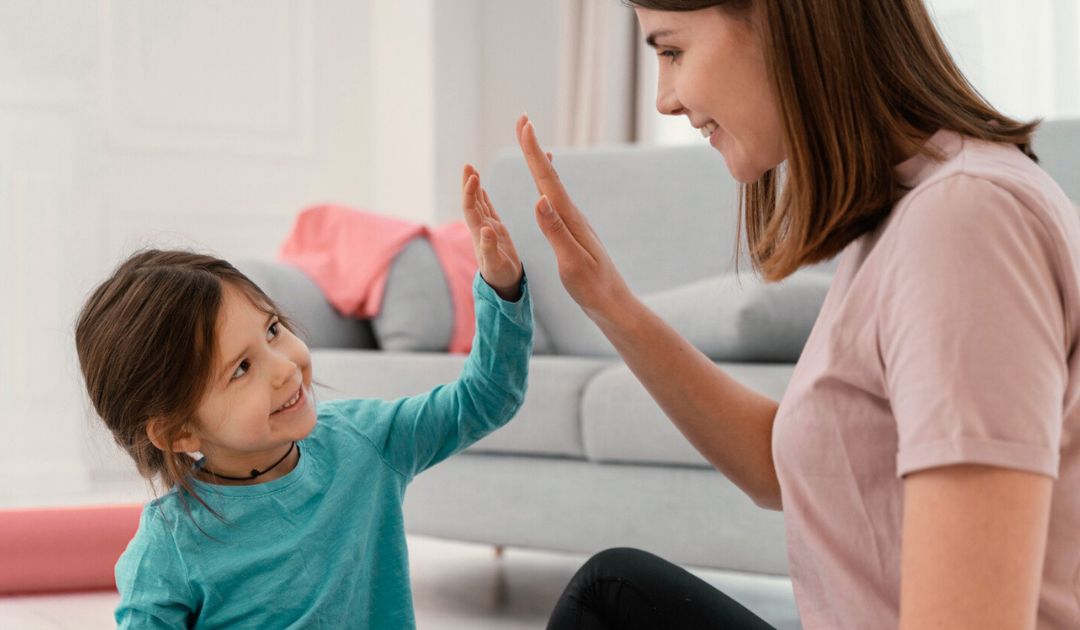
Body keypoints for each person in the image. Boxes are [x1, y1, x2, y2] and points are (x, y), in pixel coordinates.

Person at [515, 1, 1080, 629]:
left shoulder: (965, 226)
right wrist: (608, 301)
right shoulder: (915, 208)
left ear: (780, 21)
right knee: (614, 591)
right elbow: (784, 468)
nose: (664, 100)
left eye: (671, 50)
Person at [74, 165, 532, 629]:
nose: (285, 367)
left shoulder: (365, 441)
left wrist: (502, 288)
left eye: (273, 330)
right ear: (177, 431)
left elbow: (487, 399)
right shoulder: (171, 546)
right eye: (242, 368)